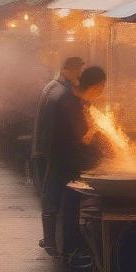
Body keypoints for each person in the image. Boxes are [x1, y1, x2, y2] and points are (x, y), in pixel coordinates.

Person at [42, 65, 107, 261]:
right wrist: (96, 129)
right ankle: (71, 250)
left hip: (64, 158)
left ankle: (66, 246)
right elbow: (82, 139)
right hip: (68, 161)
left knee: (67, 203)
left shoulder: (73, 99)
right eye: (102, 86)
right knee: (70, 204)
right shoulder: (71, 103)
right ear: (96, 86)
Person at [31, 56, 84, 193]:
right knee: (56, 184)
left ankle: (51, 212)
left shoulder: (54, 86)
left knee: (52, 184)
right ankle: (53, 212)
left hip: (50, 146)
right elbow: (51, 121)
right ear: (67, 70)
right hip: (56, 147)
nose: (79, 75)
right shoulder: (60, 91)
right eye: (77, 71)